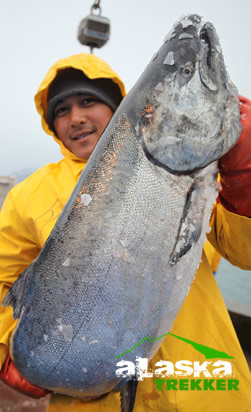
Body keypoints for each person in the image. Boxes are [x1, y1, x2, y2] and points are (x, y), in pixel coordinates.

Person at [0, 53, 250, 412]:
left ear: (119, 107)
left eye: (88, 101)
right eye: (61, 110)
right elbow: (3, 280)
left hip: (201, 387)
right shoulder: (29, 194)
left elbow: (243, 253)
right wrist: (14, 347)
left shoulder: (191, 167)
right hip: (88, 401)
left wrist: (244, 177)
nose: (77, 118)